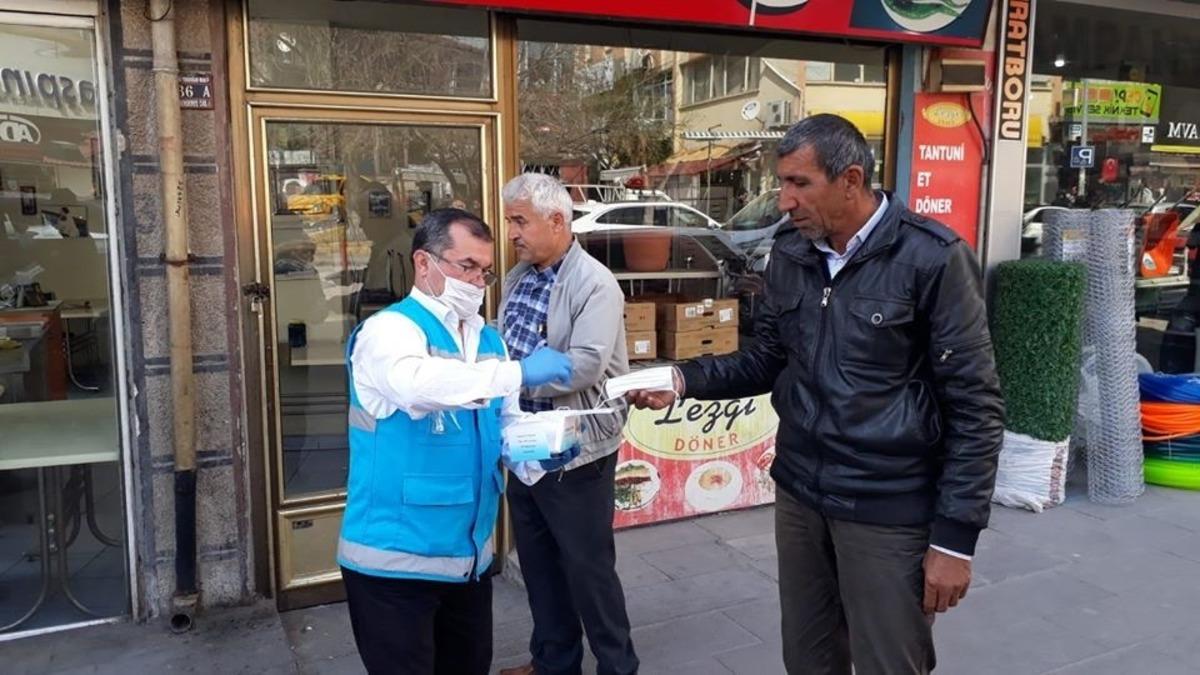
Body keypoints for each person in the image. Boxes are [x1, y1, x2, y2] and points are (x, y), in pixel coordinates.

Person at [628, 114, 1005, 675]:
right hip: (801, 494)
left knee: (888, 663)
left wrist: (954, 540)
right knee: (808, 658)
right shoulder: (793, 252)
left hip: (887, 504)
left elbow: (976, 404)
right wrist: (682, 380)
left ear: (850, 180)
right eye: (781, 183)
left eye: (798, 183)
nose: (783, 201)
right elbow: (769, 356)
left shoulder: (932, 258)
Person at [338, 208, 574, 675]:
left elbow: (502, 424)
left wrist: (537, 451)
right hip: (394, 562)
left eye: (485, 271)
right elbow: (417, 386)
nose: (477, 281)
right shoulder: (390, 330)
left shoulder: (490, 340)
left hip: (467, 560)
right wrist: (520, 372)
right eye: (466, 266)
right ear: (423, 263)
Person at [497, 173, 639, 675]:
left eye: (520, 221)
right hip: (523, 444)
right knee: (537, 565)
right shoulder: (517, 276)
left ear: (557, 221)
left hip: (576, 448)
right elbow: (504, 339)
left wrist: (504, 380)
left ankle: (618, 667)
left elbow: (584, 365)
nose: (511, 232)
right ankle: (554, 662)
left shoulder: (595, 283)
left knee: (588, 569)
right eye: (510, 220)